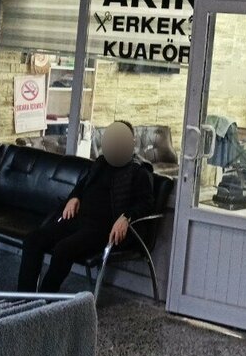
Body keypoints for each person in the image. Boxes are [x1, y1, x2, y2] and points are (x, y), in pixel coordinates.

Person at [17, 120, 154, 293]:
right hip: (78, 219)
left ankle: (45, 299)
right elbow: (82, 184)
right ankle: (24, 298)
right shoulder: (101, 163)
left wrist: (126, 217)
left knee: (63, 250)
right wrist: (74, 197)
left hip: (103, 228)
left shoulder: (139, 171)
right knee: (33, 240)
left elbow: (145, 203)